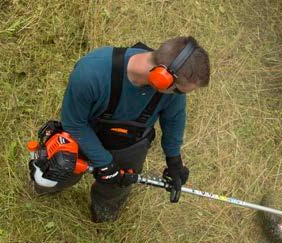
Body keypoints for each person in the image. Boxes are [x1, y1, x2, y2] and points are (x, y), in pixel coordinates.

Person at [32, 36, 210, 222]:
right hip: (85, 133)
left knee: (120, 184)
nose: (181, 96)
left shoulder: (172, 90)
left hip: (132, 141)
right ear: (161, 78)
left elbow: (174, 119)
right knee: (59, 168)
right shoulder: (91, 73)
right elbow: (74, 124)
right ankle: (46, 189)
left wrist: (174, 161)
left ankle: (104, 212)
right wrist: (105, 163)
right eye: (180, 91)